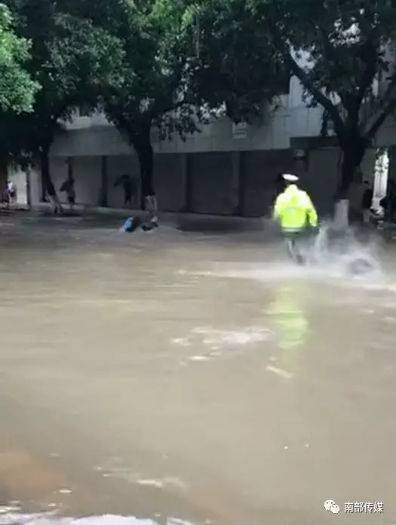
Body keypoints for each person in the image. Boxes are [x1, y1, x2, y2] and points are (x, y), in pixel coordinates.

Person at [273, 174, 318, 264]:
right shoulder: (303, 196)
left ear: (286, 184)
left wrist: (276, 221)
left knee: (290, 247)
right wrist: (313, 224)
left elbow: (277, 213)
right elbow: (311, 210)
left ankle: (296, 262)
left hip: (287, 228)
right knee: (301, 244)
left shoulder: (282, 197)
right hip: (301, 227)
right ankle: (304, 260)